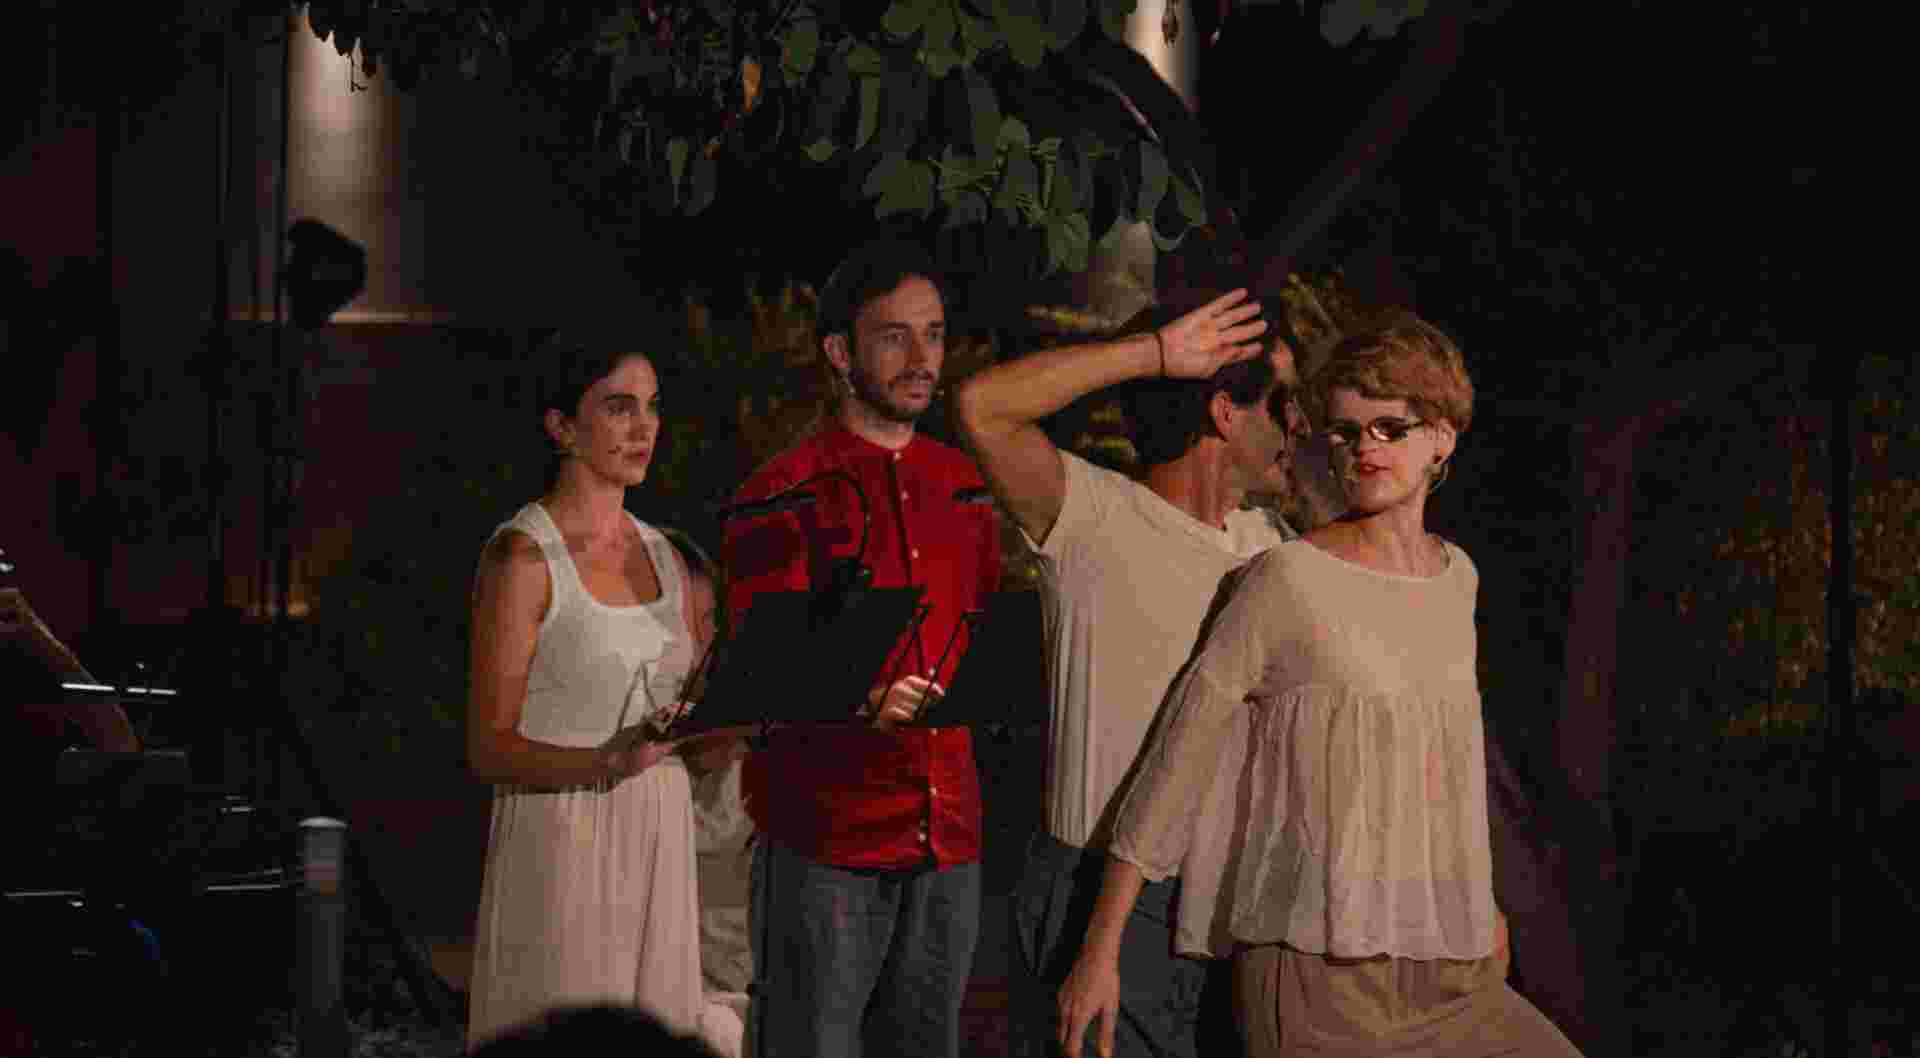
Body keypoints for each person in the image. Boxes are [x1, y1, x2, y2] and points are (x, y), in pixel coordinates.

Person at [1057, 311, 1584, 1058]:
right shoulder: (1288, 578)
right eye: (1345, 431)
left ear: (1443, 437)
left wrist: (1484, 904)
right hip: (1319, 976)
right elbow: (1179, 757)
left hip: (1449, 965)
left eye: (1389, 428)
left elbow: (1442, 767)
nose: (1364, 449)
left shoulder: (1457, 578)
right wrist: (1100, 949)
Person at [954, 288, 1300, 1058]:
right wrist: (1157, 354)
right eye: (1282, 402)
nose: (1298, 424)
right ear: (1224, 413)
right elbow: (982, 407)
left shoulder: (1272, 543)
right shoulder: (1093, 515)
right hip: (1096, 899)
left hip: (1230, 904)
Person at [721, 240, 1002, 1058]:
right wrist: (854, 703)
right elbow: (755, 682)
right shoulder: (781, 495)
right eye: (894, 336)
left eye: (934, 334)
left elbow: (980, 633)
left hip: (949, 838)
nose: (922, 359)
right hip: (828, 842)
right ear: (841, 353)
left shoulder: (964, 487)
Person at [465, 325, 736, 1055]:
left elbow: (703, 741)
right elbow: (489, 748)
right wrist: (608, 762)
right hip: (562, 843)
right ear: (562, 426)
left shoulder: (674, 560)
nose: (643, 427)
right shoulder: (523, 558)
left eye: (652, 406)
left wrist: (744, 717)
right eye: (619, 407)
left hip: (661, 839)